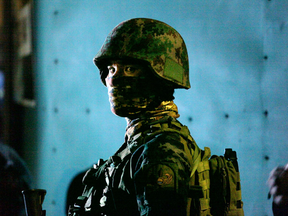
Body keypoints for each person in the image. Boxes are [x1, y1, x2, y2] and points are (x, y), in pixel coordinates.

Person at [68, 18, 242, 216]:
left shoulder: (161, 149)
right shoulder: (139, 144)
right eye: (111, 69)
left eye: (130, 69)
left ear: (161, 77)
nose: (114, 78)